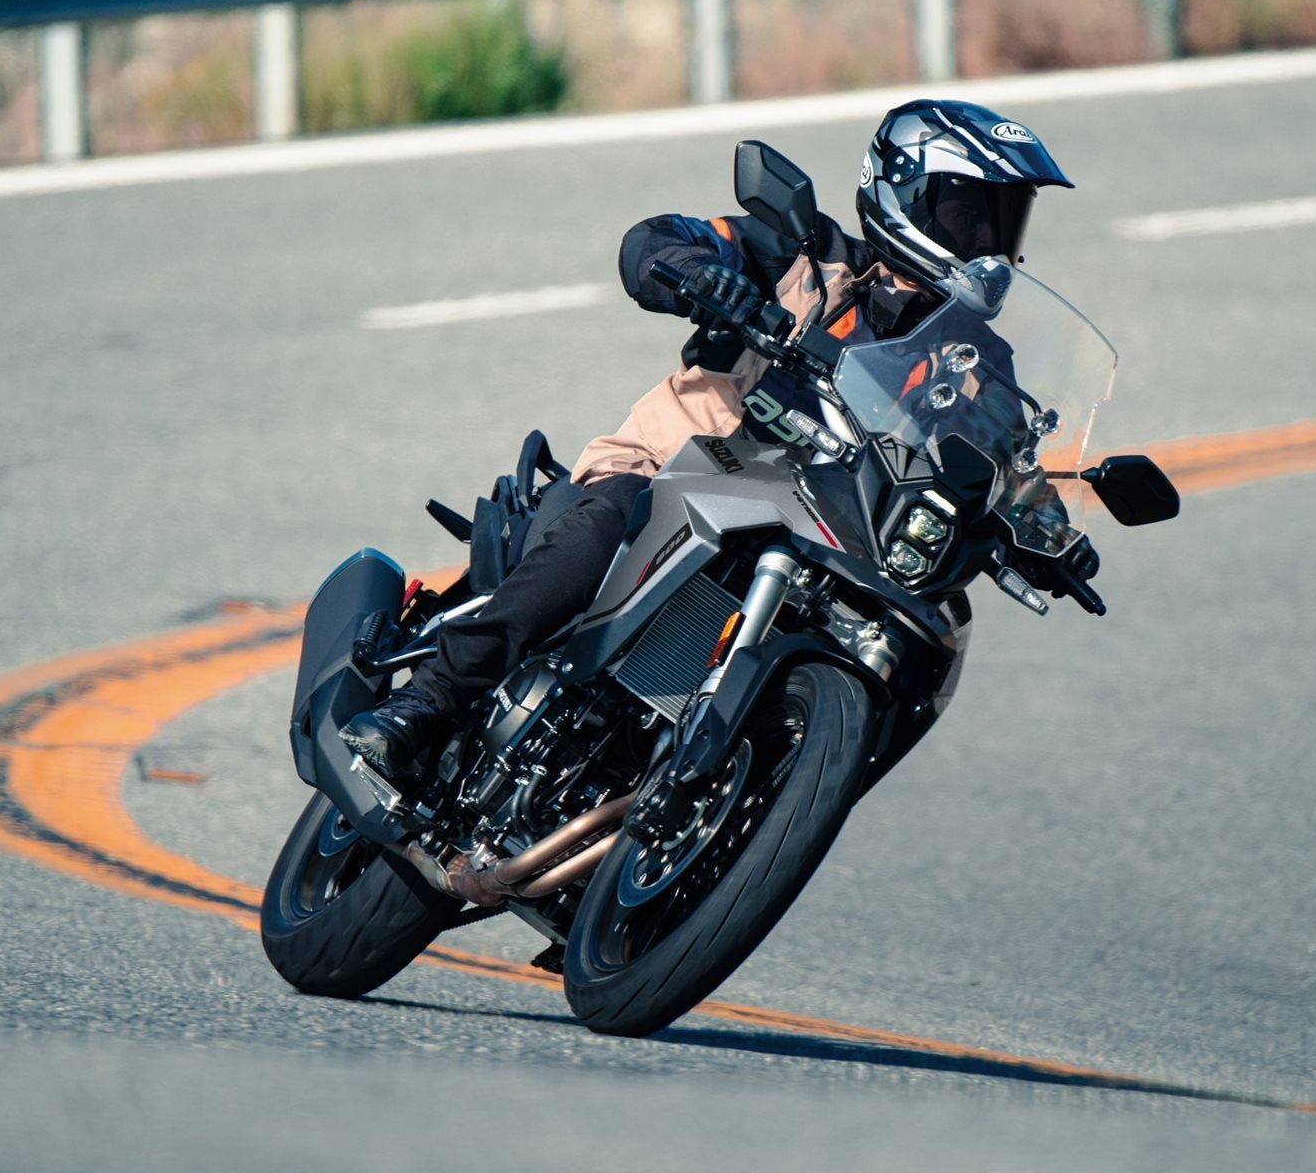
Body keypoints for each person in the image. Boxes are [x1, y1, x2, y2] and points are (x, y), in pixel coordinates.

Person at [341, 99, 1098, 838]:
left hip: (825, 540)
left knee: (915, 642)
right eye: (969, 216)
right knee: (609, 520)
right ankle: (425, 705)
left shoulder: (977, 366)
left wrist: (1048, 527)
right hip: (671, 472)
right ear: (905, 196)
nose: (988, 244)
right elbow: (654, 241)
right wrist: (702, 275)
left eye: (1003, 222)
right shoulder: (805, 257)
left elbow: (1010, 464)